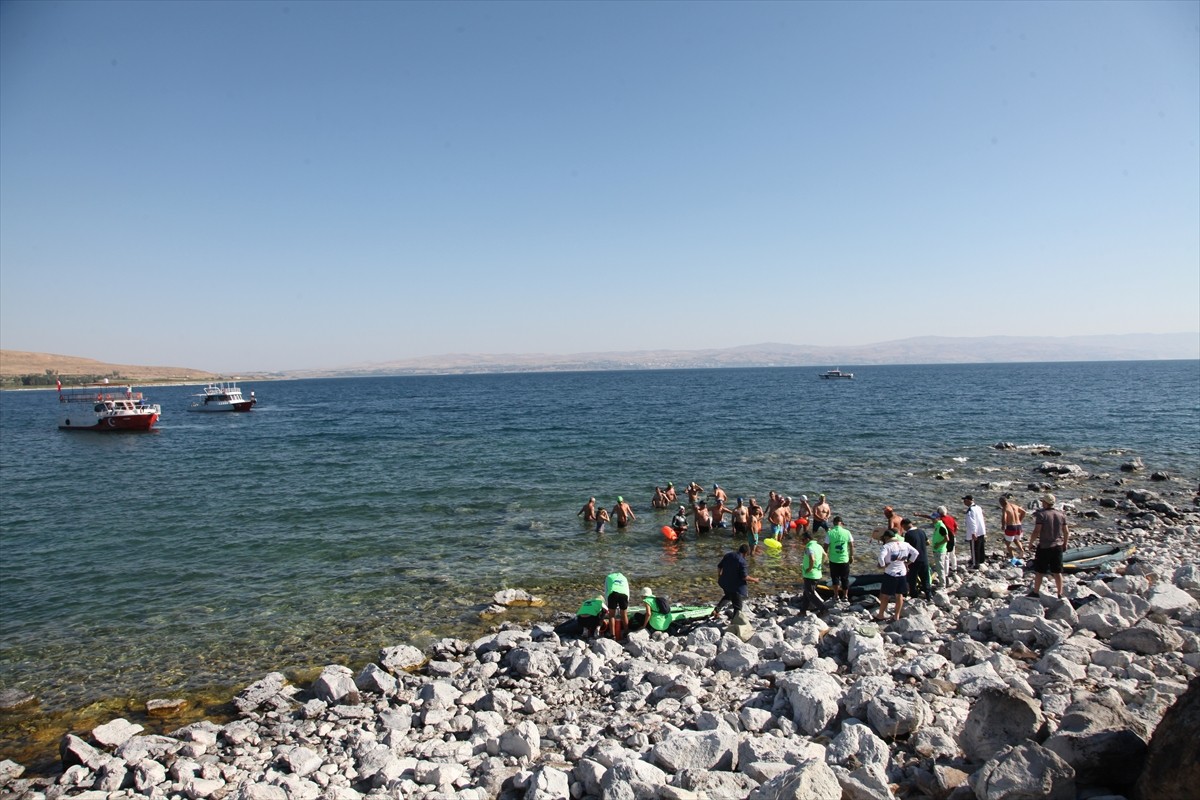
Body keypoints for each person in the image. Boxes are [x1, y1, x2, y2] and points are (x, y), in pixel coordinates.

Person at [1029, 493, 1069, 598]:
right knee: (1057, 571)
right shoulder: (1061, 514)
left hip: (1045, 546)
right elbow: (1066, 532)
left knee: (1040, 571)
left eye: (1043, 502)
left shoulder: (1041, 515)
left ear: (1046, 503)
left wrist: (1031, 543)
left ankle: (1036, 592)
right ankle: (1060, 593)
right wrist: (1065, 543)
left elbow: (1037, 531)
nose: (1042, 504)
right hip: (1058, 546)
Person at [876, 529, 919, 622]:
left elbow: (880, 557)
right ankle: (897, 616)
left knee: (885, 596)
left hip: (890, 573)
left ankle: (880, 615)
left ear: (887, 537)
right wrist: (908, 563)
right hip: (902, 573)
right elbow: (916, 553)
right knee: (899, 595)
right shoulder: (905, 544)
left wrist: (883, 565)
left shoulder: (887, 546)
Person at [712, 544, 759, 619]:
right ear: (746, 553)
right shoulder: (742, 561)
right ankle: (735, 622)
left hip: (724, 582)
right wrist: (755, 580)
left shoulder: (728, 555)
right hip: (735, 587)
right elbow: (744, 577)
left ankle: (716, 610)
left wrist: (719, 576)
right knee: (738, 606)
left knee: (728, 596)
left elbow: (719, 566)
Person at [825, 515, 854, 603]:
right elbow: (851, 545)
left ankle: (836, 595)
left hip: (833, 559)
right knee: (845, 578)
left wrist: (824, 557)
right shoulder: (847, 532)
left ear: (834, 523)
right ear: (841, 523)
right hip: (844, 559)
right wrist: (851, 556)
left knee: (835, 578)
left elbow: (825, 546)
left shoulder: (830, 533)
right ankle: (845, 596)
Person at [901, 518, 932, 601]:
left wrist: (905, 561)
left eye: (903, 527)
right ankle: (929, 595)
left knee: (912, 579)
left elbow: (907, 549)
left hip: (914, 560)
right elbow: (928, 542)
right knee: (925, 578)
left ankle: (914, 596)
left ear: (904, 525)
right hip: (924, 558)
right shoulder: (921, 531)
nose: (903, 529)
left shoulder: (908, 534)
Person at [799, 529, 828, 614]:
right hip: (817, 572)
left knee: (810, 594)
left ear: (808, 539)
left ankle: (823, 609)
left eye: (803, 539)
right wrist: (820, 564)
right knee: (807, 593)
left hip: (810, 574)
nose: (802, 541)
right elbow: (825, 555)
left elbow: (812, 558)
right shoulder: (818, 546)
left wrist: (810, 568)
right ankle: (803, 610)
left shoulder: (809, 547)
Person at [962, 495, 987, 569]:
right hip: (981, 530)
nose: (964, 502)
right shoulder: (978, 507)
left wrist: (973, 532)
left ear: (969, 500)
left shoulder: (971, 510)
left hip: (975, 532)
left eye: (965, 500)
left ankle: (975, 563)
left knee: (974, 548)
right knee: (981, 547)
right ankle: (981, 560)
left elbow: (972, 521)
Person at [604, 572, 631, 639]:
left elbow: (606, 591)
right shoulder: (624, 578)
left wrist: (608, 604)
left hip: (613, 593)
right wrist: (625, 604)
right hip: (624, 594)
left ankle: (612, 635)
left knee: (612, 615)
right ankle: (626, 633)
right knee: (624, 615)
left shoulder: (608, 577)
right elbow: (627, 590)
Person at [1000, 495, 1028, 559]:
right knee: (1016, 540)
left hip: (1011, 527)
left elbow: (1004, 518)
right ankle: (1021, 550)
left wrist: (1003, 526)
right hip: (1018, 526)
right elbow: (1024, 512)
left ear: (1001, 503)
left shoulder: (1005, 508)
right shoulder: (1015, 506)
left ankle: (1013, 556)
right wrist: (1020, 520)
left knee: (1008, 544)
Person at [929, 510, 951, 588]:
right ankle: (943, 582)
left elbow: (947, 538)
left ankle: (942, 585)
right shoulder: (937, 525)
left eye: (934, 519)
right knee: (940, 567)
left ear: (938, 518)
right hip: (937, 550)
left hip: (940, 550)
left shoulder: (941, 526)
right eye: (932, 518)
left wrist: (938, 544)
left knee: (940, 568)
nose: (932, 520)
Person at [938, 504, 959, 579]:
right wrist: (954, 533)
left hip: (947, 539)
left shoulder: (941, 520)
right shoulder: (951, 518)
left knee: (946, 556)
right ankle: (954, 568)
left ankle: (946, 573)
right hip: (953, 537)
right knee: (953, 554)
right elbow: (957, 527)